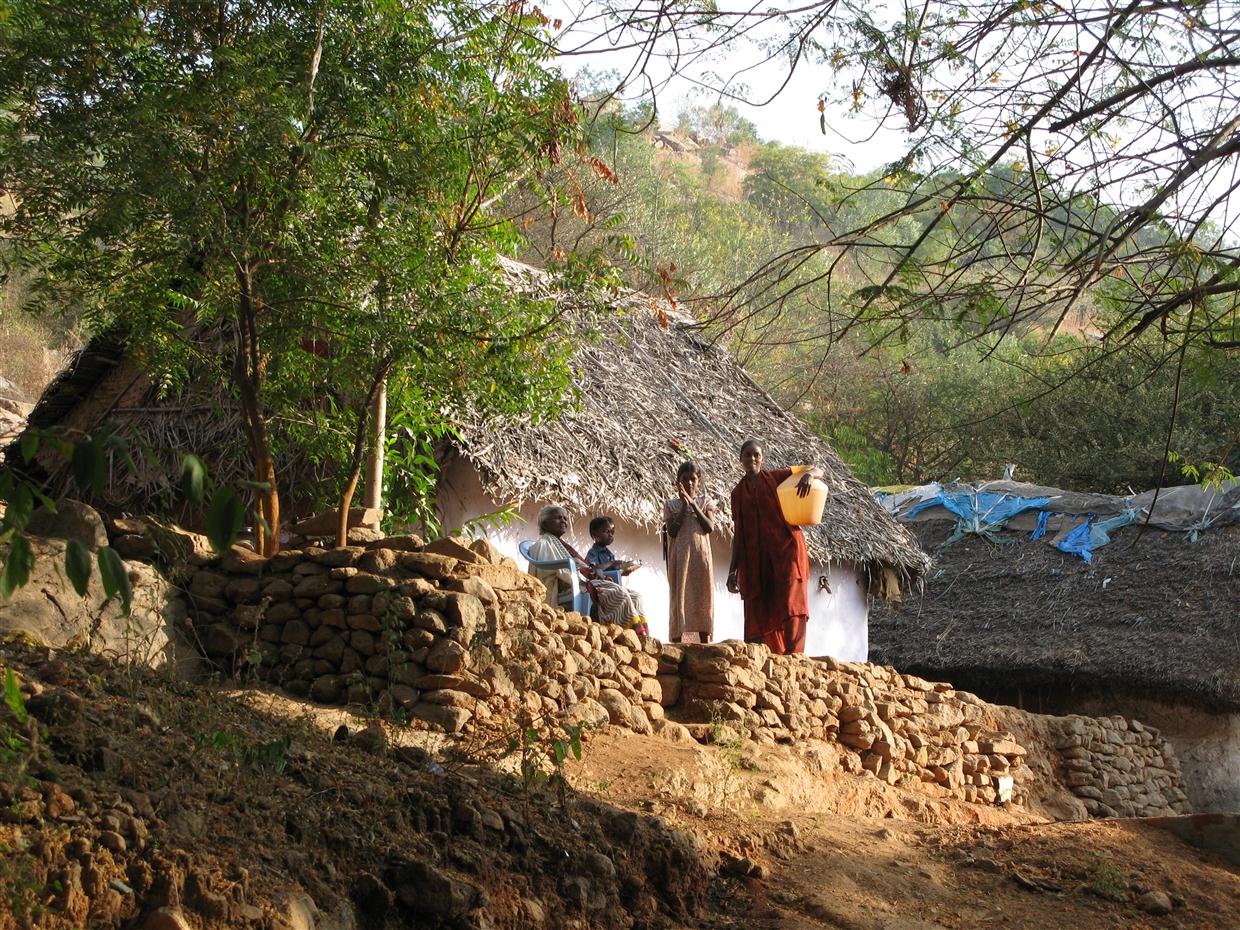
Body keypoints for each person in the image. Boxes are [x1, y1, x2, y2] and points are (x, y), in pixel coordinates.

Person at [726, 439, 822, 655]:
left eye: (756, 455)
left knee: (790, 602)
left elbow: (818, 469)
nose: (752, 459)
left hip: (786, 551)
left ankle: (794, 655)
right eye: (747, 455)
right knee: (759, 606)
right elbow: (739, 533)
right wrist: (733, 570)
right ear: (740, 459)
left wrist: (809, 476)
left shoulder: (776, 478)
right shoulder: (737, 493)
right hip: (756, 560)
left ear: (762, 459)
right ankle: (766, 656)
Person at [527, 505, 650, 633]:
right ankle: (625, 634)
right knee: (619, 593)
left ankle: (642, 636)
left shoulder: (562, 545)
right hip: (571, 585)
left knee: (636, 597)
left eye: (565, 518)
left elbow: (581, 566)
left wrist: (590, 571)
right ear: (545, 523)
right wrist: (586, 573)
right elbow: (553, 572)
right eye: (558, 518)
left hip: (582, 580)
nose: (563, 521)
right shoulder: (543, 544)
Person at [664, 461, 716, 644]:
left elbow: (709, 527)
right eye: (685, 479)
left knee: (702, 594)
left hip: (701, 558)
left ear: (699, 481)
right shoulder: (670, 505)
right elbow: (672, 531)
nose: (689, 483)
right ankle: (678, 638)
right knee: (680, 594)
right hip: (680, 558)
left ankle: (704, 638)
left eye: (693, 479)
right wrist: (684, 507)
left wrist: (693, 504)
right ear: (678, 482)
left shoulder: (706, 501)